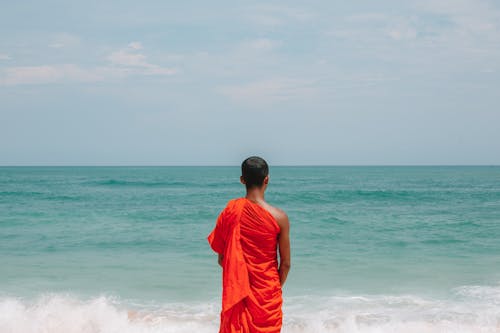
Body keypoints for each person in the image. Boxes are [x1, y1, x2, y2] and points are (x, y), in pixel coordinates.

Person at [208, 156, 291, 333]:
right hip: (267, 297)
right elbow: (285, 264)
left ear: (242, 180)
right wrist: (271, 288)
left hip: (238, 295)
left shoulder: (231, 211)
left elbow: (222, 259)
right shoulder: (280, 217)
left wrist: (240, 281)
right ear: (267, 179)